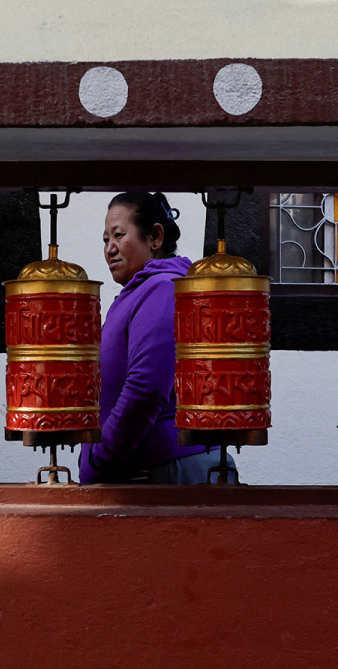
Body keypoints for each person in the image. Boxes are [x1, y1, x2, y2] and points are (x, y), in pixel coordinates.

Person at [78, 192, 232, 485]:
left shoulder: (161, 290)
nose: (110, 249)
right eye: (105, 240)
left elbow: (145, 389)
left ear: (155, 237)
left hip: (165, 469)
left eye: (119, 235)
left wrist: (101, 458)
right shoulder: (138, 292)